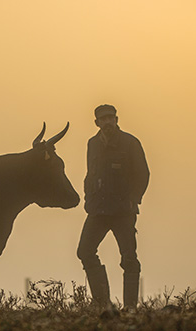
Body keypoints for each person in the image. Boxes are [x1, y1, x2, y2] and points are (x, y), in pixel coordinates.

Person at [77, 104, 150, 309]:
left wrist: (134, 199)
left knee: (129, 258)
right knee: (85, 251)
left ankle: (130, 308)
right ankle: (103, 304)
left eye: (111, 118)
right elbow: (90, 173)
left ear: (117, 120)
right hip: (98, 210)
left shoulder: (130, 143)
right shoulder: (92, 144)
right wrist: (87, 198)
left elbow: (143, 174)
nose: (108, 122)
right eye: (103, 119)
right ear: (97, 123)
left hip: (122, 212)